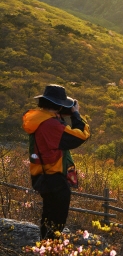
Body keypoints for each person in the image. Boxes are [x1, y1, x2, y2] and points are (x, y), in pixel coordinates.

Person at [22, 84, 90, 239]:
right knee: (57, 219)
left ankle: (45, 248)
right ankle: (50, 251)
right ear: (58, 106)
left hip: (41, 175)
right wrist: (76, 114)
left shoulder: (39, 118)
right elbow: (80, 136)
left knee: (48, 214)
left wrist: (65, 112)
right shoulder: (51, 125)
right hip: (54, 178)